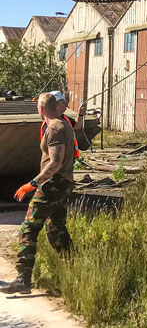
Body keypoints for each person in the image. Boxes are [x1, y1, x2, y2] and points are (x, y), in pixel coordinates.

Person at [0, 92, 75, 294]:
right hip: (62, 183)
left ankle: (23, 280)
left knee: (28, 229)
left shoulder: (54, 128)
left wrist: (33, 183)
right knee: (56, 230)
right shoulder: (63, 124)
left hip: (53, 185)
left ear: (40, 109)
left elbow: (56, 162)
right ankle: (75, 270)